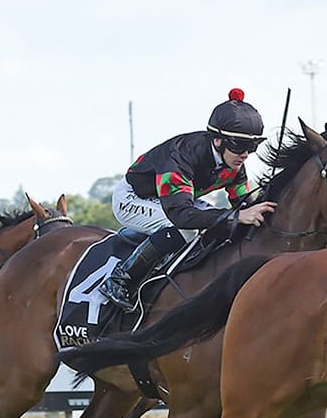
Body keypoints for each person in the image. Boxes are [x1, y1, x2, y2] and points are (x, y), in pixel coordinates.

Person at [99, 88, 277, 312]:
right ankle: (120, 279)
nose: (245, 154)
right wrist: (236, 216)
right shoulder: (180, 156)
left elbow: (246, 204)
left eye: (252, 146)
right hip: (134, 198)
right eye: (239, 146)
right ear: (218, 141)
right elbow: (181, 215)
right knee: (186, 229)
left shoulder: (234, 163)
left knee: (217, 225)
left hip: (176, 200)